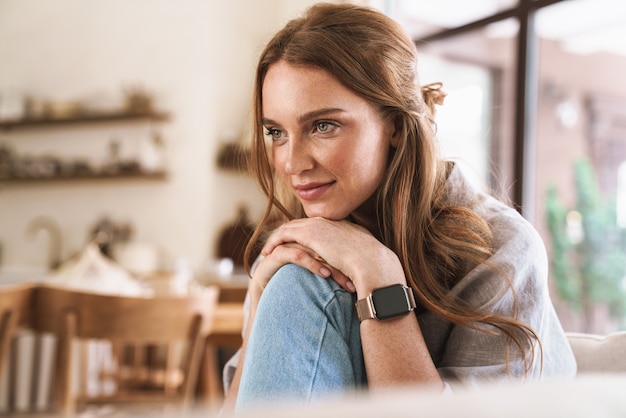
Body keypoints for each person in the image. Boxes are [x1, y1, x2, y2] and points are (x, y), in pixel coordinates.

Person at [221, 2, 577, 413]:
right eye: (276, 132)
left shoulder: (503, 250)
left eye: (323, 126)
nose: (291, 162)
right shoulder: (296, 246)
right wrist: (260, 297)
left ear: (393, 124)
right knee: (291, 280)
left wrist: (379, 276)